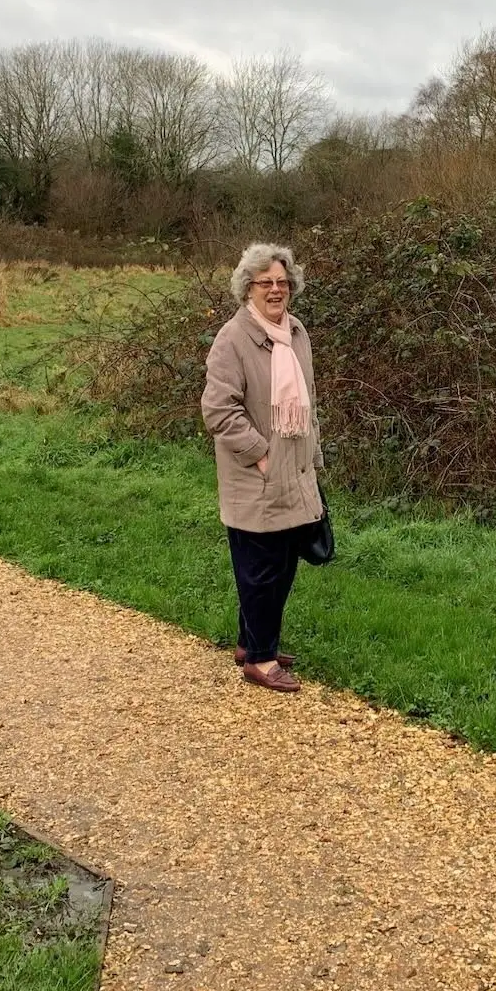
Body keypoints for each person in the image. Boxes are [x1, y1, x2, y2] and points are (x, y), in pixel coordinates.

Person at [201, 242, 325, 694]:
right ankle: (261, 659)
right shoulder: (232, 340)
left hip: (294, 472)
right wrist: (262, 454)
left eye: (282, 282)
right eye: (265, 283)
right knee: (260, 568)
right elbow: (218, 412)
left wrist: (312, 460)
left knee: (283, 564)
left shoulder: (296, 332)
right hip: (256, 475)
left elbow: (307, 404)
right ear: (247, 289)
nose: (276, 290)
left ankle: (248, 641)